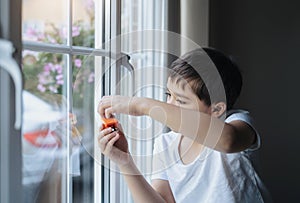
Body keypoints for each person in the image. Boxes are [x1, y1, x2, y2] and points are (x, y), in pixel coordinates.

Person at [97, 48, 272, 203]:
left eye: (180, 100)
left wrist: (141, 105)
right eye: (168, 95)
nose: (169, 105)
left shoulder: (236, 123)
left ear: (217, 109)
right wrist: (125, 162)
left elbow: (228, 141)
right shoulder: (165, 144)